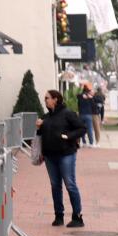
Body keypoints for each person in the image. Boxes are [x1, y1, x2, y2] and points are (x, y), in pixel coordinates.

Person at [36, 89, 87, 227]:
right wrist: (39, 127)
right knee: (55, 186)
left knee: (70, 183)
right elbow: (41, 135)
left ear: (55, 99)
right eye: (45, 98)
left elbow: (82, 128)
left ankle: (77, 217)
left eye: (47, 98)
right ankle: (59, 216)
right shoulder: (45, 117)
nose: (45, 100)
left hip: (66, 154)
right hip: (50, 156)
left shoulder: (67, 114)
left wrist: (68, 136)